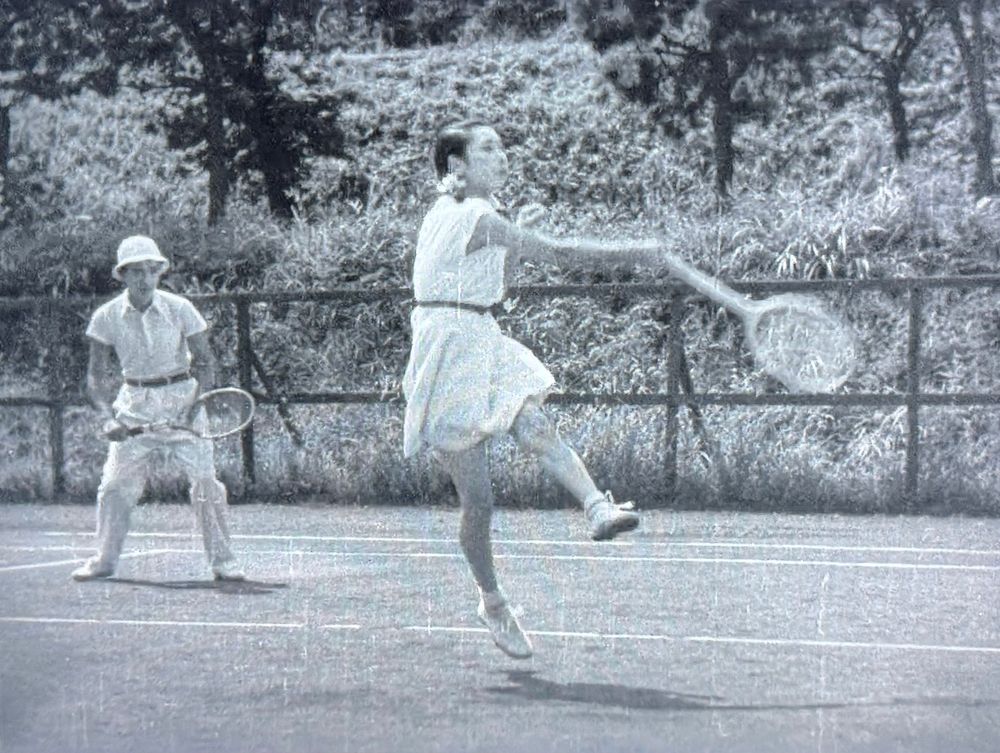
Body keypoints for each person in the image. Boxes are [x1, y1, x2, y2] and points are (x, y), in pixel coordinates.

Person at [402, 121, 663, 658]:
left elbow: (497, 291)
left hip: (480, 333)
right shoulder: (469, 213)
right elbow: (562, 253)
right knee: (478, 503)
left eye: (502, 146)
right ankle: (491, 601)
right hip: (445, 348)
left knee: (534, 422)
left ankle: (596, 507)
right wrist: (636, 250)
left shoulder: (480, 216)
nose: (502, 155)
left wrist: (514, 238)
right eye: (488, 148)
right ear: (457, 166)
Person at [71, 235, 245, 582]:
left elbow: (206, 364)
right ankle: (104, 560)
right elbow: (95, 378)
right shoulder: (106, 317)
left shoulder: (180, 308)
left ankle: (223, 562)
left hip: (183, 399)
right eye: (136, 272)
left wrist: (194, 408)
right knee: (115, 486)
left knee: (205, 482)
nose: (145, 279)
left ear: (159, 273)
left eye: (151, 271)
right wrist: (108, 419)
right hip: (134, 404)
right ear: (123, 276)